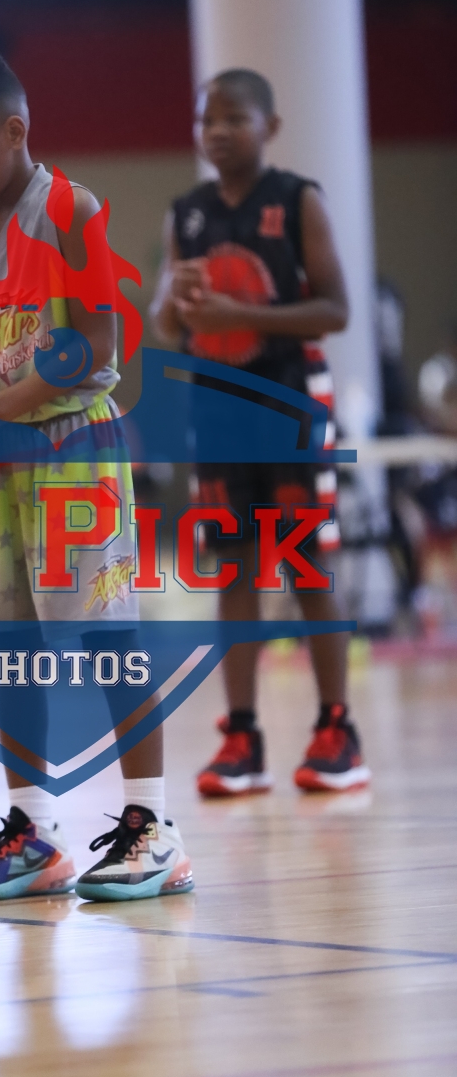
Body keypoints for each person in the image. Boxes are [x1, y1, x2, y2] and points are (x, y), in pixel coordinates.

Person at [0, 47, 192, 901]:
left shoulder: (69, 207)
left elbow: (97, 347)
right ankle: (34, 832)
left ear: (14, 131)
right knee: (6, 650)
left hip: (74, 445)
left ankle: (154, 829)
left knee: (109, 642)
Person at [150, 68, 371, 796]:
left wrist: (243, 317)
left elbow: (336, 310)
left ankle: (337, 729)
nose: (216, 132)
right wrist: (176, 303)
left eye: (232, 119)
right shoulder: (186, 214)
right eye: (205, 120)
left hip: (288, 402)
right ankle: (241, 736)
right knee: (234, 571)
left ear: (268, 128)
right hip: (217, 409)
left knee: (306, 562)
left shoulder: (298, 199)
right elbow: (164, 321)